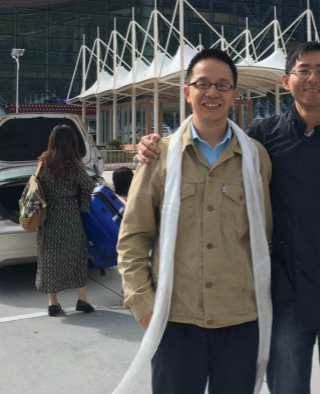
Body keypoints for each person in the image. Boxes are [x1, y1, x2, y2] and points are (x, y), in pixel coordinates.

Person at [137, 41, 320, 394]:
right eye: (303, 70)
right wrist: (151, 146)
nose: (313, 78)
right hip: (284, 296)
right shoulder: (262, 138)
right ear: (286, 81)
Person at [116, 48, 273, 394]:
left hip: (240, 321)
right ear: (187, 92)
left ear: (234, 94)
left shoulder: (255, 157)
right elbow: (133, 238)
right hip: (175, 320)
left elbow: (266, 235)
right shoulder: (159, 156)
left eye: (222, 85)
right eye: (202, 84)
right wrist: (144, 306)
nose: (212, 93)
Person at [34, 124, 96, 316]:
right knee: (76, 257)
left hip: (48, 217)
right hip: (70, 215)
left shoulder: (43, 162)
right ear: (72, 142)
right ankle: (82, 300)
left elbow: (36, 186)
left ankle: (53, 303)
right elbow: (88, 186)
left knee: (50, 259)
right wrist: (83, 206)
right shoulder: (73, 164)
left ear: (52, 141)